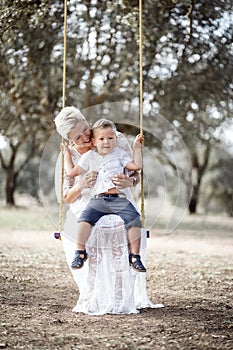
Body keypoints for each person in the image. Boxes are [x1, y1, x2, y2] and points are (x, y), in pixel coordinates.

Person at [54, 106, 163, 315]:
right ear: (69, 141)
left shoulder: (112, 137)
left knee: (125, 223)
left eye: (85, 129)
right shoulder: (70, 155)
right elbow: (67, 197)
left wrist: (130, 181)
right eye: (78, 137)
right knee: (92, 226)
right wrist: (81, 185)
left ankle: (123, 291)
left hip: (118, 198)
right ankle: (93, 288)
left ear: (87, 121)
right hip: (86, 203)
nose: (86, 137)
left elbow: (135, 172)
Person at [64, 118, 146, 272]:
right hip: (98, 200)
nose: (106, 142)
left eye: (110, 138)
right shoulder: (89, 157)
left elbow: (136, 166)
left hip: (118, 199)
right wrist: (66, 156)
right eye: (101, 139)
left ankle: (135, 256)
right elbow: (71, 172)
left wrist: (137, 147)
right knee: (84, 220)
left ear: (116, 139)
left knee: (134, 219)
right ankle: (80, 253)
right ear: (94, 141)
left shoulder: (120, 154)